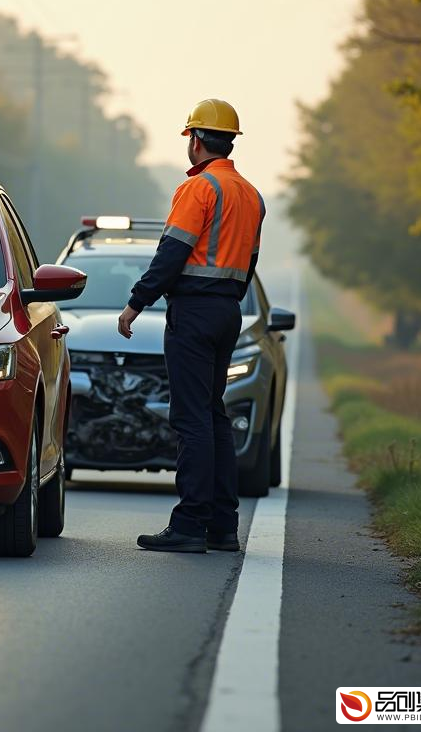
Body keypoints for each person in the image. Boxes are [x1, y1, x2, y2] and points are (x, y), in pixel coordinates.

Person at [117, 99, 264, 554]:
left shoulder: (199, 189)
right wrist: (225, 302)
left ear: (196, 140)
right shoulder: (251, 194)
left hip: (194, 314)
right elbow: (251, 260)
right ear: (230, 141)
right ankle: (222, 525)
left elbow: (172, 253)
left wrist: (135, 303)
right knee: (214, 414)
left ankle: (189, 524)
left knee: (191, 418)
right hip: (226, 312)